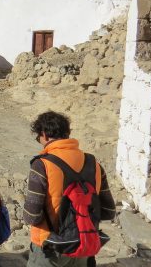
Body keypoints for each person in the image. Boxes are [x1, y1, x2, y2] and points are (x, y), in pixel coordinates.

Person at [24, 111, 116, 267]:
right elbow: (108, 211)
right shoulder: (94, 164)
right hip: (83, 245)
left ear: (44, 135)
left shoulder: (42, 165)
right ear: (67, 133)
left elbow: (31, 216)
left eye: (38, 137)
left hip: (50, 247)